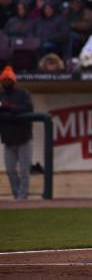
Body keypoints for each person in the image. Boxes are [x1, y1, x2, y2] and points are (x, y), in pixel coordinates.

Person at [0, 66, 34, 199]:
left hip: (24, 138)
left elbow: (27, 108)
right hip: (8, 140)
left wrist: (9, 108)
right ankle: (17, 195)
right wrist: (6, 107)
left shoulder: (23, 94)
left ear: (14, 80)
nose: (7, 82)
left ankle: (22, 196)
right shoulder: (1, 96)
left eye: (9, 80)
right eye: (4, 80)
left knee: (25, 171)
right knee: (10, 170)